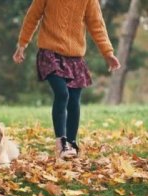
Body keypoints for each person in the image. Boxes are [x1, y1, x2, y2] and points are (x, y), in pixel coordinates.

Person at [13, 0, 121, 159]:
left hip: (75, 58)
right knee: (62, 94)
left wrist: (108, 53)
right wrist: (22, 44)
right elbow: (32, 16)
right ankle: (61, 143)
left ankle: (71, 143)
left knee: (74, 100)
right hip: (50, 53)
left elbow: (97, 25)